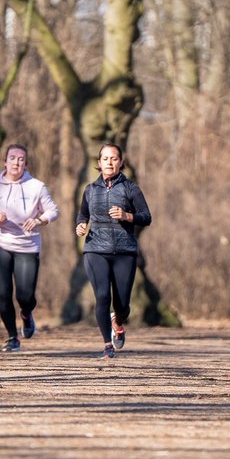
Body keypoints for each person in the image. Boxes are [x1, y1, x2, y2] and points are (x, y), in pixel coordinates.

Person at [75, 143, 152, 359]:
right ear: (99, 163)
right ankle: (107, 344)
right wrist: (81, 225)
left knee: (123, 304)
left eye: (114, 158)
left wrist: (127, 216)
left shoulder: (131, 188)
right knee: (101, 296)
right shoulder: (90, 190)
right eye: (105, 159)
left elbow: (146, 217)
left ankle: (117, 322)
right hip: (95, 249)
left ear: (121, 162)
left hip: (124, 251)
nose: (110, 162)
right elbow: (82, 215)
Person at [0, 144, 59, 352]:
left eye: (21, 159)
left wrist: (40, 220)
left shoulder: (37, 186)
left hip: (28, 245)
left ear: (26, 163)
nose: (16, 162)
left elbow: (53, 210)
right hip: (0, 243)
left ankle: (26, 314)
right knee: (3, 293)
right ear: (4, 161)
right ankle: (12, 336)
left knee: (25, 296)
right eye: (12, 158)